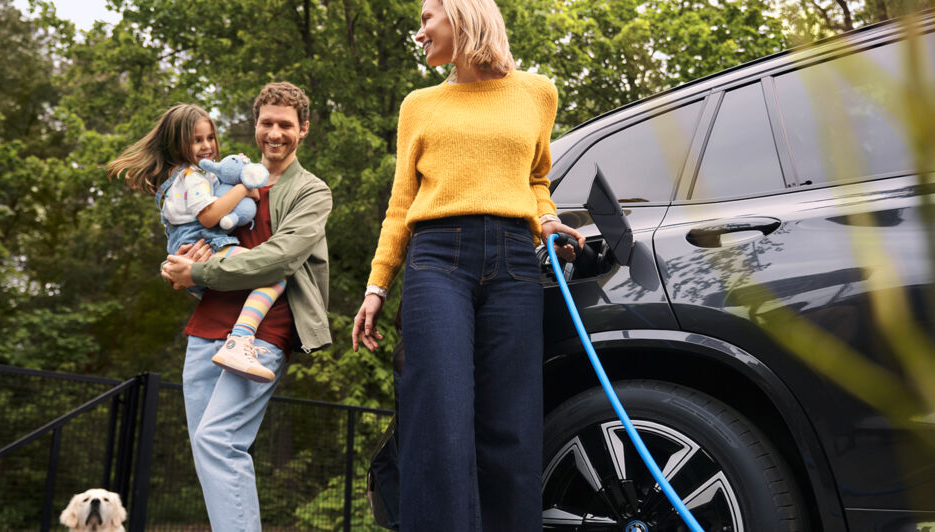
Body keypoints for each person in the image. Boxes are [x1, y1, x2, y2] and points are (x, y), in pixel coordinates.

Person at [351, 0, 583, 529]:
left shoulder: (536, 92)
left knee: (512, 424)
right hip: (437, 260)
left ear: (462, 15)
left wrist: (546, 222)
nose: (419, 32)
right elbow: (400, 203)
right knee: (440, 415)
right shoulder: (418, 104)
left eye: (427, 18)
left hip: (514, 263)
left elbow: (536, 180)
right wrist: (377, 285)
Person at [160, 82, 333, 531]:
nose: (275, 133)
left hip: (263, 331)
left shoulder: (312, 192)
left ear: (304, 130)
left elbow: (280, 258)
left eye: (286, 125)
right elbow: (201, 232)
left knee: (220, 441)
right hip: (208, 323)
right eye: (267, 123)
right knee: (206, 447)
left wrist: (198, 273)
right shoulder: (228, 177)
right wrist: (181, 266)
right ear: (255, 126)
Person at [107, 104, 282, 383]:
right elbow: (210, 216)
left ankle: (235, 340)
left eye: (210, 138)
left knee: (239, 292)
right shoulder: (191, 177)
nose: (206, 146)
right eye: (196, 140)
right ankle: (239, 341)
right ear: (178, 144)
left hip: (193, 252)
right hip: (210, 246)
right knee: (273, 276)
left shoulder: (184, 177)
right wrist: (242, 188)